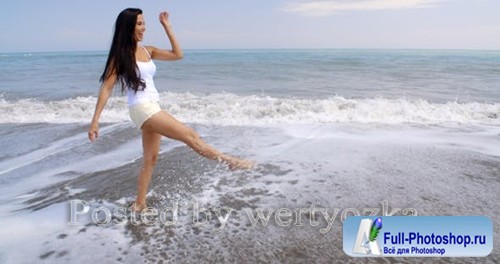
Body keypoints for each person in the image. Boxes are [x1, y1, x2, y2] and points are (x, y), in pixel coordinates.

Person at [88, 8, 254, 212]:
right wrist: (95, 120)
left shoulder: (148, 50)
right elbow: (106, 87)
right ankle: (231, 161)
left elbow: (178, 54)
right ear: (128, 27)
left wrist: (167, 27)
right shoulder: (120, 56)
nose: (143, 27)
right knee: (190, 135)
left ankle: (140, 204)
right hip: (142, 108)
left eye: (143, 23)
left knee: (151, 158)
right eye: (139, 23)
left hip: (152, 106)